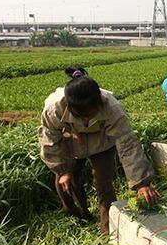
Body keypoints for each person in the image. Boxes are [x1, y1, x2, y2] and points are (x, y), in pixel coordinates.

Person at [38, 67, 160, 234]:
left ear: (99, 103)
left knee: (103, 183)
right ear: (70, 107)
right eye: (81, 115)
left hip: (102, 142)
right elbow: (49, 138)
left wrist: (141, 183)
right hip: (71, 139)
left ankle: (108, 229)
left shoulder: (113, 108)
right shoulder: (54, 109)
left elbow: (128, 143)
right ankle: (78, 214)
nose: (86, 119)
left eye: (90, 113)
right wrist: (62, 169)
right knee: (66, 180)